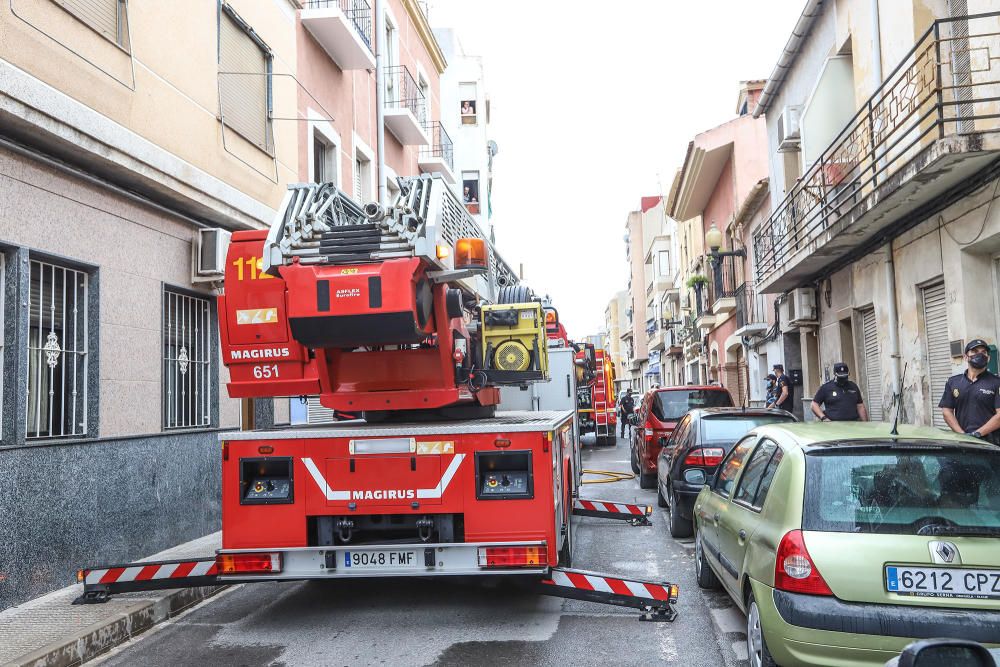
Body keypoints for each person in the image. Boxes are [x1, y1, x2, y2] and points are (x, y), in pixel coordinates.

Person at [939, 338, 1000, 444]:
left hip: (991, 444)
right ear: (965, 357)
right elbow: (946, 411)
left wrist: (977, 434)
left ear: (988, 358)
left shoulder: (996, 382)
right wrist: (962, 435)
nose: (980, 355)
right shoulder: (953, 382)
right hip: (962, 442)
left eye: (983, 352)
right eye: (975, 352)